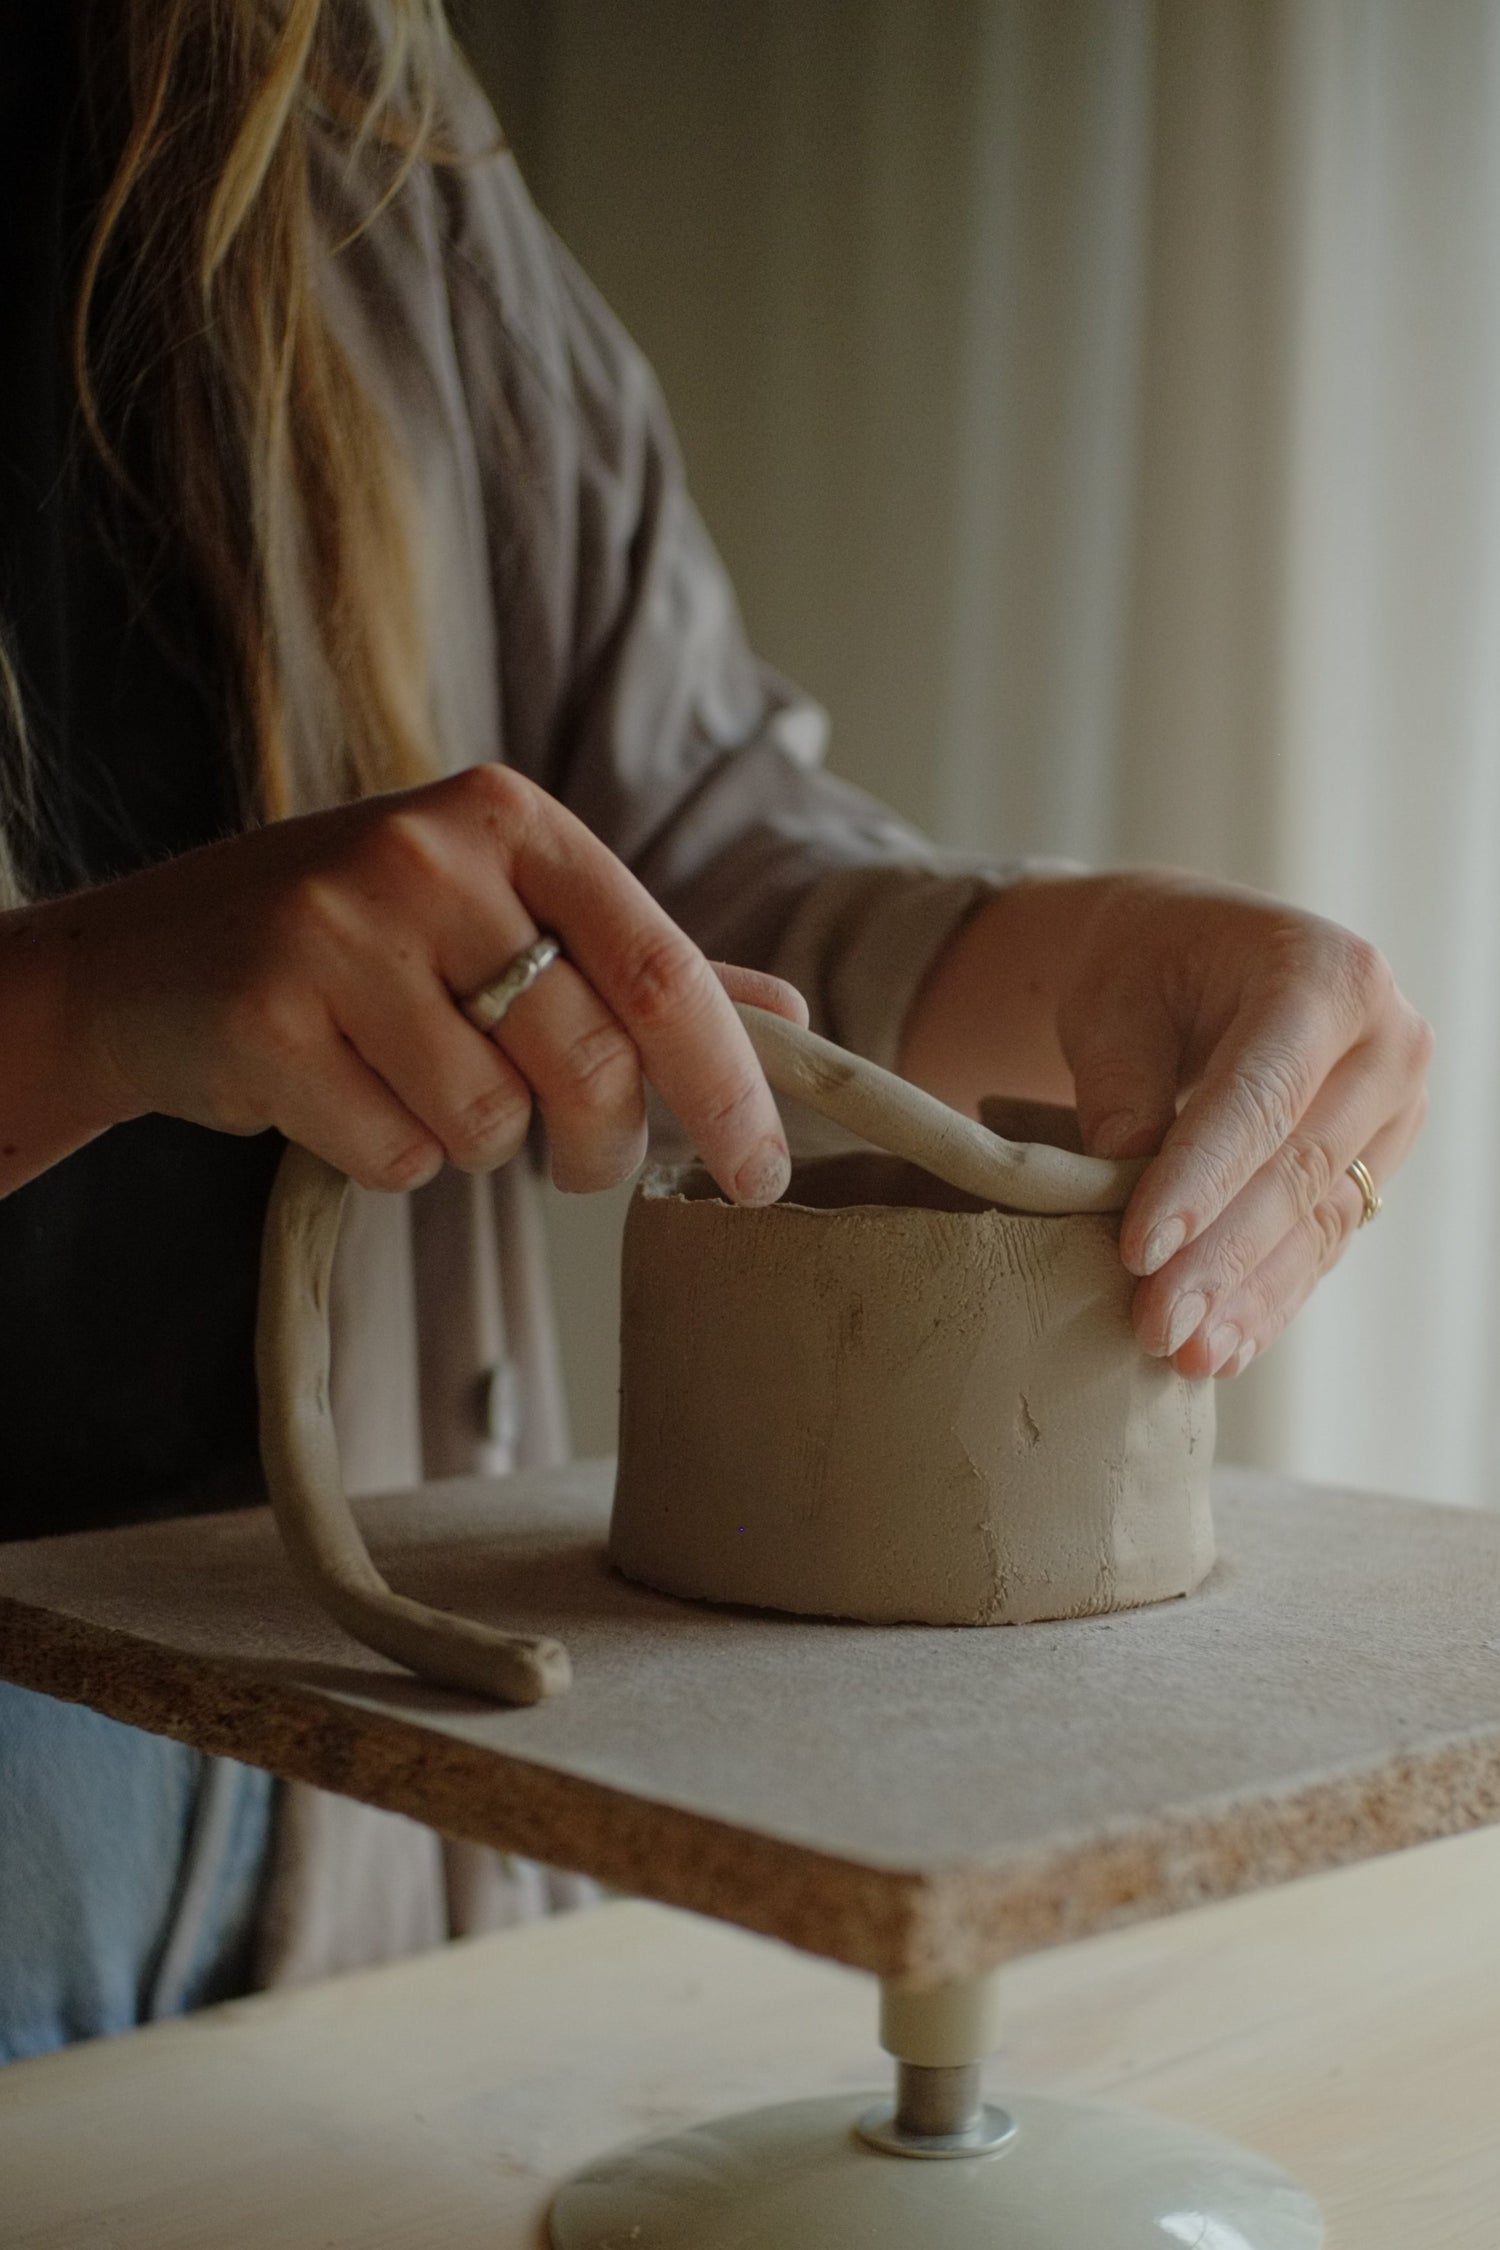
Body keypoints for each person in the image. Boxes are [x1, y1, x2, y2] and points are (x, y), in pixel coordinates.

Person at [0, 2, 1431, 2058]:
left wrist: (1085, 948)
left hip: (343, 1785)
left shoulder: (332, 102)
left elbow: (686, 847)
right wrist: (71, 1004)